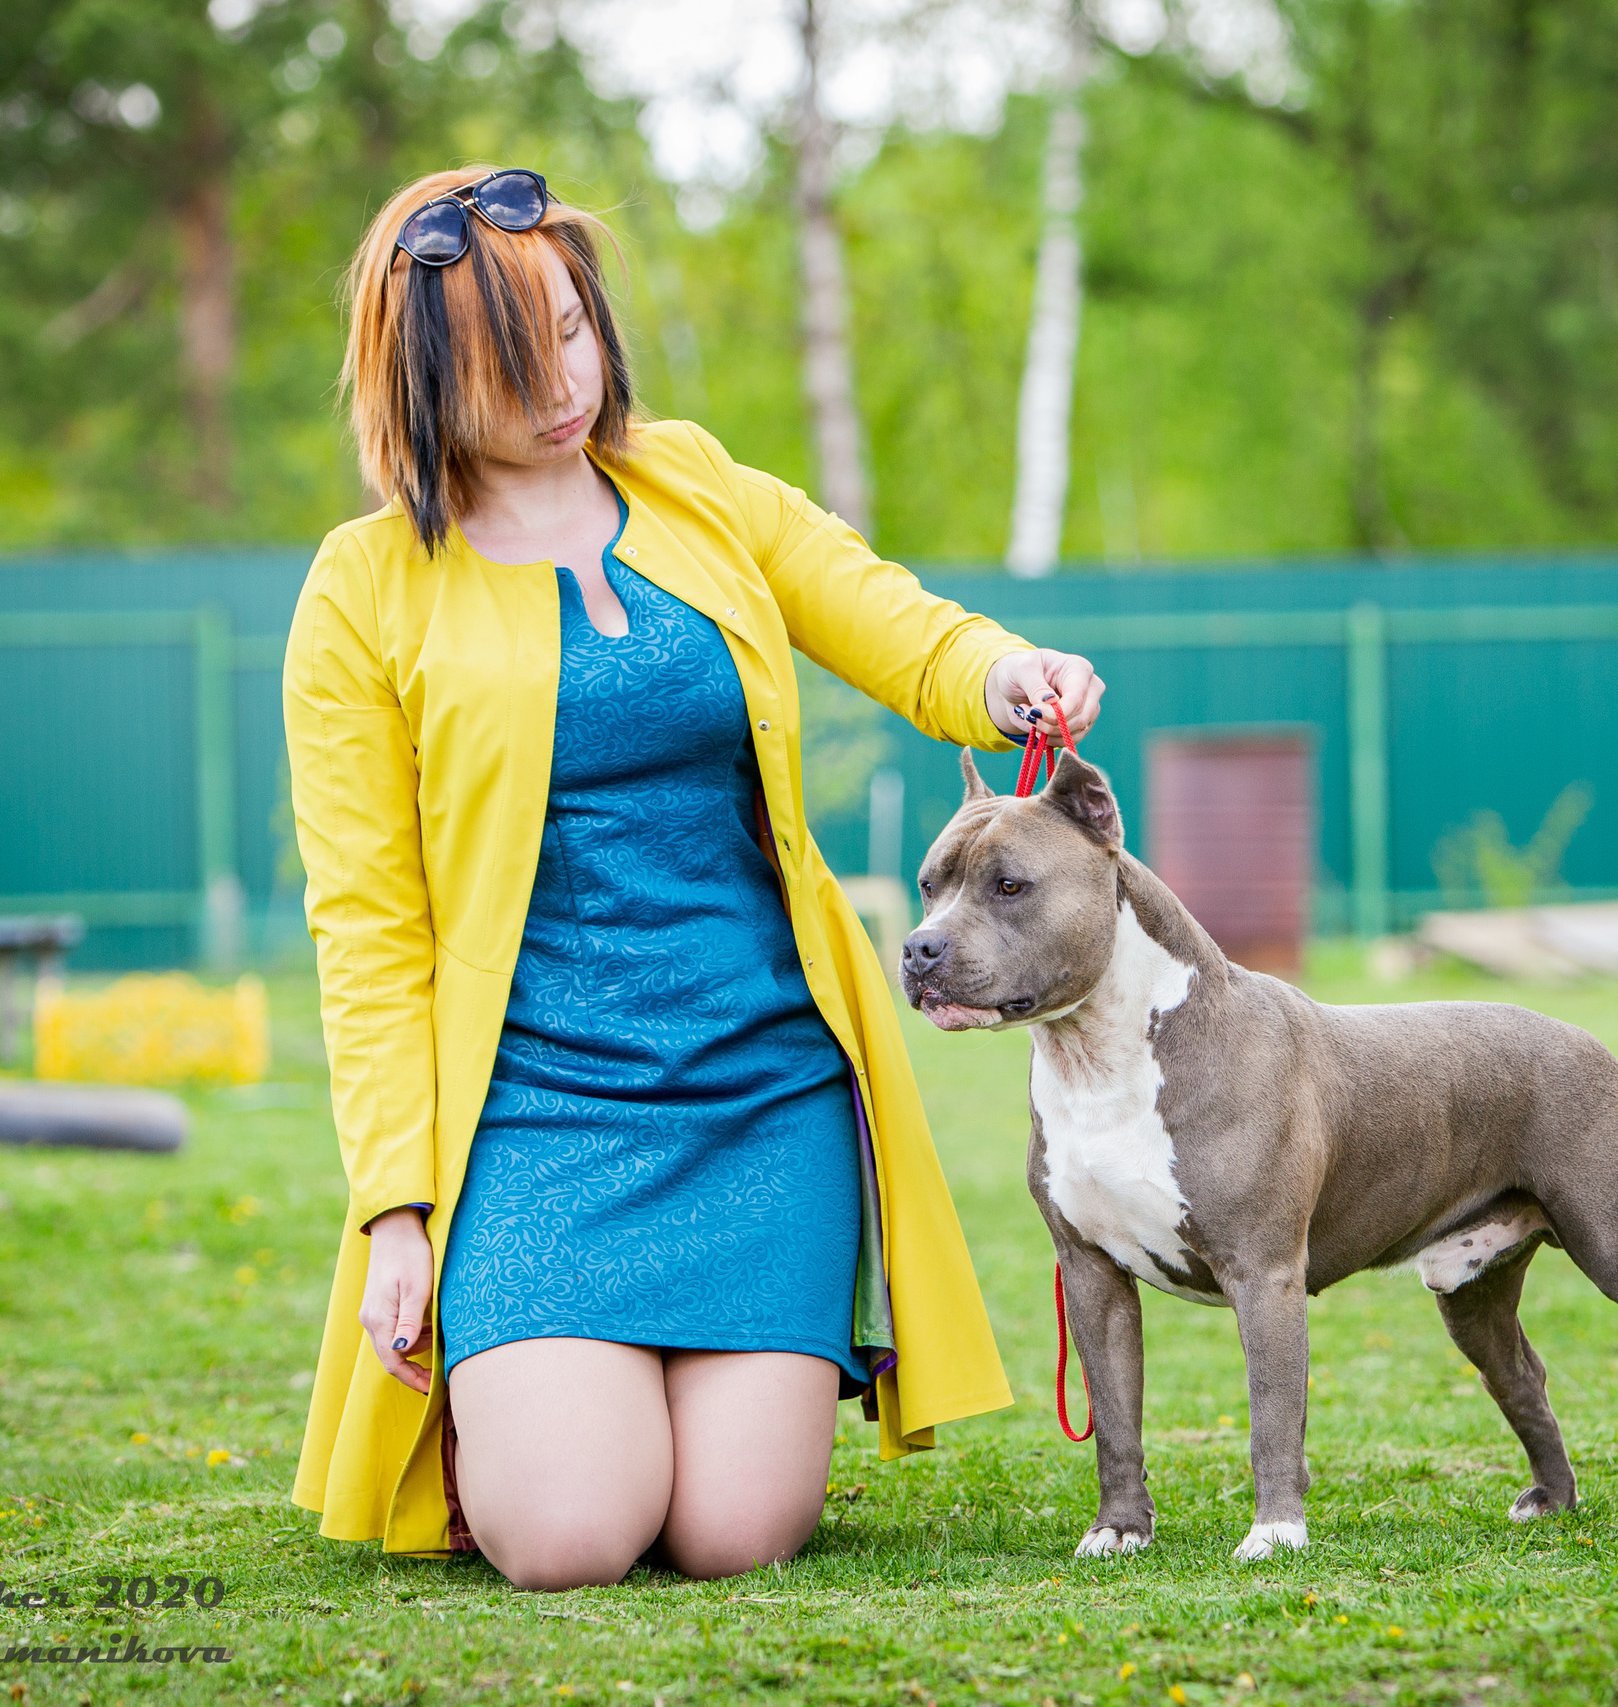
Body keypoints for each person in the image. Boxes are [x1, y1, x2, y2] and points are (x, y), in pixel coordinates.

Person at [282, 165, 1106, 1589]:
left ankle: (668, 1390)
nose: (561, 380)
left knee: (735, 1536)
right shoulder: (361, 591)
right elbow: (368, 928)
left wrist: (1001, 674)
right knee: (572, 1540)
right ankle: (535, 1394)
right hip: (534, 1121)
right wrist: (399, 1209)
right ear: (417, 378)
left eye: (573, 330)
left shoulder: (695, 482)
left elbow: (883, 612)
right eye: (508, 357)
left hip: (759, 1096)